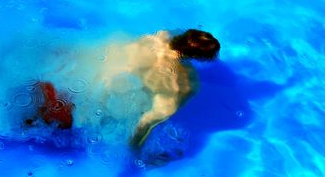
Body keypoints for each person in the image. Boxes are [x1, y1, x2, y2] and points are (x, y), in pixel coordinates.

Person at [24, 29, 220, 148]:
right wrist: (137, 155)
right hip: (81, 105)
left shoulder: (157, 38)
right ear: (198, 58)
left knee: (24, 89)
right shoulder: (179, 85)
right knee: (34, 124)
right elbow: (145, 123)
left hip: (69, 67)